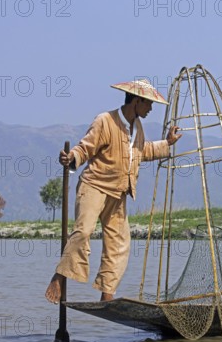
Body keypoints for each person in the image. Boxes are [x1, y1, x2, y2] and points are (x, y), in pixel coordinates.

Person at [45, 79, 181, 303]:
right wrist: (72, 158)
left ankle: (107, 293)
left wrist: (167, 143)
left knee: (119, 245)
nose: (150, 109)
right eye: (148, 104)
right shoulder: (105, 121)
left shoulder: (138, 129)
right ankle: (60, 276)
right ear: (136, 101)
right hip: (94, 186)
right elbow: (86, 147)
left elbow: (141, 151)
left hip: (119, 193)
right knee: (83, 231)